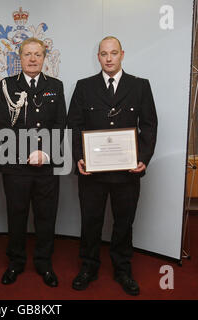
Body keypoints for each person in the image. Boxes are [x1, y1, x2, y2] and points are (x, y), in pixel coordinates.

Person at [67, 36, 158, 296]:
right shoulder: (84, 87)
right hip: (92, 172)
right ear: (98, 57)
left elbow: (149, 124)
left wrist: (143, 157)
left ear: (122, 55)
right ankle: (88, 267)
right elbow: (74, 125)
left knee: (123, 223)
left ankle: (122, 269)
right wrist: (79, 157)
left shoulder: (140, 86)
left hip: (126, 172)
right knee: (91, 221)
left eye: (113, 53)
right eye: (104, 54)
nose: (109, 58)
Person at [0, 37, 67, 287]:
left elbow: (60, 124)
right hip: (16, 166)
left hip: (46, 167)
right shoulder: (6, 85)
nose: (33, 59)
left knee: (46, 217)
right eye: (27, 54)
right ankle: (15, 263)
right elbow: (3, 127)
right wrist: (26, 154)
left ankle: (44, 263)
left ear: (44, 57)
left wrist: (44, 154)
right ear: (20, 57)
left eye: (37, 54)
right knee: (17, 216)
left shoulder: (55, 86)